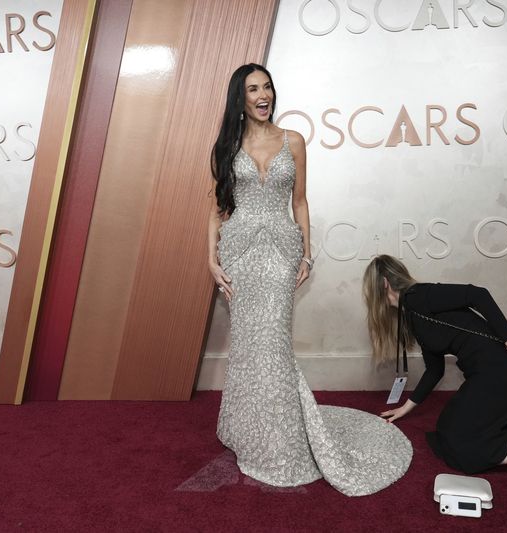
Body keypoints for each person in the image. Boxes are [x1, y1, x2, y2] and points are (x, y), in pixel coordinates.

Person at [207, 64, 411, 496]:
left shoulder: (293, 141)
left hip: (280, 250)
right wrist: (211, 259)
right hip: (239, 252)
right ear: (239, 98)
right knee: (247, 345)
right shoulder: (227, 146)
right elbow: (218, 208)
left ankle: (281, 442)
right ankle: (246, 430)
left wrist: (306, 252)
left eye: (267, 87)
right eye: (253, 89)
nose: (263, 95)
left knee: (274, 344)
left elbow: (299, 202)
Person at [363, 254, 507, 504]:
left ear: (383, 284)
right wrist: (406, 407)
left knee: (462, 446)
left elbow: (477, 294)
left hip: (500, 373)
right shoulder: (413, 316)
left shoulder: (419, 296)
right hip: (485, 375)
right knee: (445, 431)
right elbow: (434, 370)